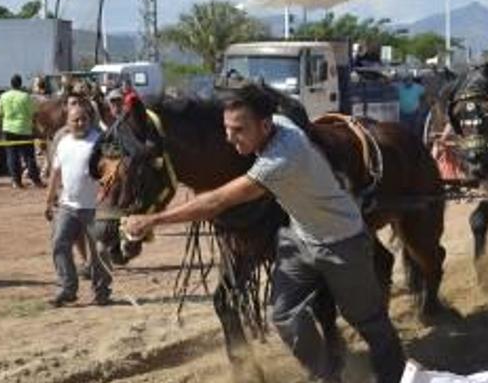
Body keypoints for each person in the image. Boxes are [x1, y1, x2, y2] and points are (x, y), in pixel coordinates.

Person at [122, 83, 406, 383]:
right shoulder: (274, 124)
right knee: (284, 315)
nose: (230, 138)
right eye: (227, 128)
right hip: (299, 239)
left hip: (341, 243)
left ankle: (396, 376)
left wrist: (153, 220)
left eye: (239, 130)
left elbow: (216, 201)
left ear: (265, 125)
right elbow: (287, 107)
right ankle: (327, 375)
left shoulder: (282, 157)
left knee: (367, 320)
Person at [45, 103, 112, 307]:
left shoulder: (99, 142)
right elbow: (55, 174)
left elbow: (112, 172)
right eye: (76, 120)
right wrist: (49, 200)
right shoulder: (63, 143)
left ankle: (101, 291)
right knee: (59, 243)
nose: (80, 123)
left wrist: (106, 194)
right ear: (67, 122)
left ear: (90, 120)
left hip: (95, 208)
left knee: (99, 252)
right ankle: (67, 288)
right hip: (68, 206)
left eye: (84, 119)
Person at [0, 74, 43, 188]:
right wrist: (35, 126)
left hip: (8, 129)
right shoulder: (26, 97)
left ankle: (16, 181)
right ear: (21, 84)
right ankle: (35, 180)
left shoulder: (3, 96)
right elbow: (34, 113)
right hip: (24, 129)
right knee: (29, 156)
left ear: (11, 84)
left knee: (12, 156)